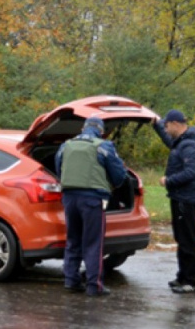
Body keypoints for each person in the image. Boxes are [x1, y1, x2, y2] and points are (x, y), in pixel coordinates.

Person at [55, 116, 126, 297]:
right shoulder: (103, 146)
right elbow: (119, 176)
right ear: (101, 131)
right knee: (93, 243)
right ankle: (94, 285)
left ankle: (71, 280)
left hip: (69, 198)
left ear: (83, 128)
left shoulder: (66, 145)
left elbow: (58, 168)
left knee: (73, 239)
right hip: (92, 200)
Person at [152, 109, 195, 294]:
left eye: (166, 126)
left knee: (187, 240)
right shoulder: (181, 143)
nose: (166, 129)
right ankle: (182, 276)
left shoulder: (189, 145)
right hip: (179, 197)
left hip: (186, 199)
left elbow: (191, 172)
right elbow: (168, 140)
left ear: (176, 124)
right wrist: (155, 124)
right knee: (181, 238)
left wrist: (169, 180)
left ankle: (191, 281)